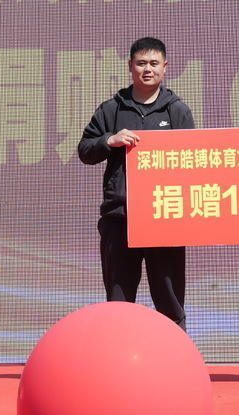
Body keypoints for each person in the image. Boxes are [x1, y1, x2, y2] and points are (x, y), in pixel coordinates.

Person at [78, 37, 195, 330]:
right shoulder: (111, 109)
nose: (147, 69)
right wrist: (110, 140)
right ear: (130, 66)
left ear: (165, 67)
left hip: (164, 219)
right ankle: (118, 354)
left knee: (170, 301)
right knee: (119, 302)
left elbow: (193, 162)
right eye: (141, 63)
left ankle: (174, 354)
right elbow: (85, 150)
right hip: (120, 218)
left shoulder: (177, 111)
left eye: (154, 63)